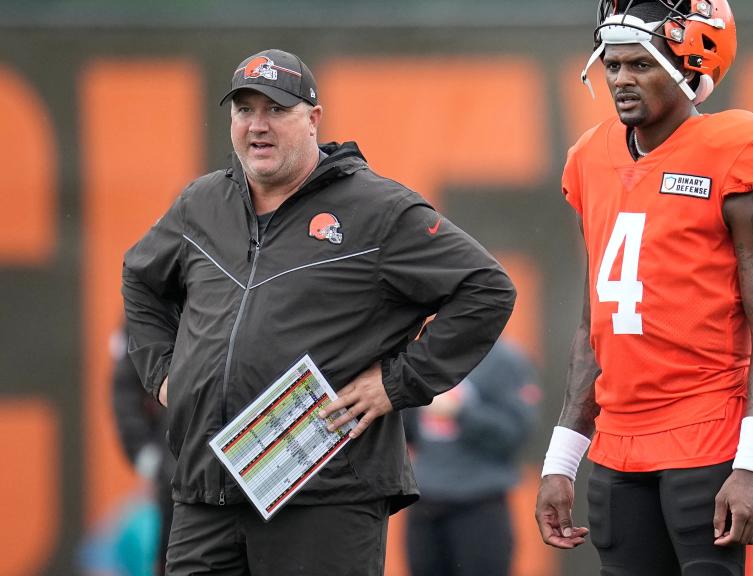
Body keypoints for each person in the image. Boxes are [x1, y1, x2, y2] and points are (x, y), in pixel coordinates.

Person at [121, 48, 516, 576]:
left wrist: (397, 383)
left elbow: (486, 288)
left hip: (323, 492)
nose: (257, 126)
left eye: (276, 110)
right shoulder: (201, 204)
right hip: (206, 490)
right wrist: (165, 373)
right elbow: (140, 279)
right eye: (244, 110)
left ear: (313, 119)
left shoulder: (377, 209)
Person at [534, 0, 753, 575]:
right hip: (618, 448)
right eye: (614, 63)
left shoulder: (738, 150)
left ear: (690, 68)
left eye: (642, 64)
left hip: (707, 440)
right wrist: (561, 458)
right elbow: (592, 322)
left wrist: (751, 464)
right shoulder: (589, 158)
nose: (621, 79)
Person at [402, 339, 539, 576]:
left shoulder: (503, 360)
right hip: (425, 501)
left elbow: (517, 432)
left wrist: (461, 413)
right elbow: (407, 427)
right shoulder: (424, 355)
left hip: (479, 503)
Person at [110, 323, 176, 575]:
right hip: (177, 482)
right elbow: (125, 392)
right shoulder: (153, 303)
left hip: (245, 468)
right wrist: (157, 465)